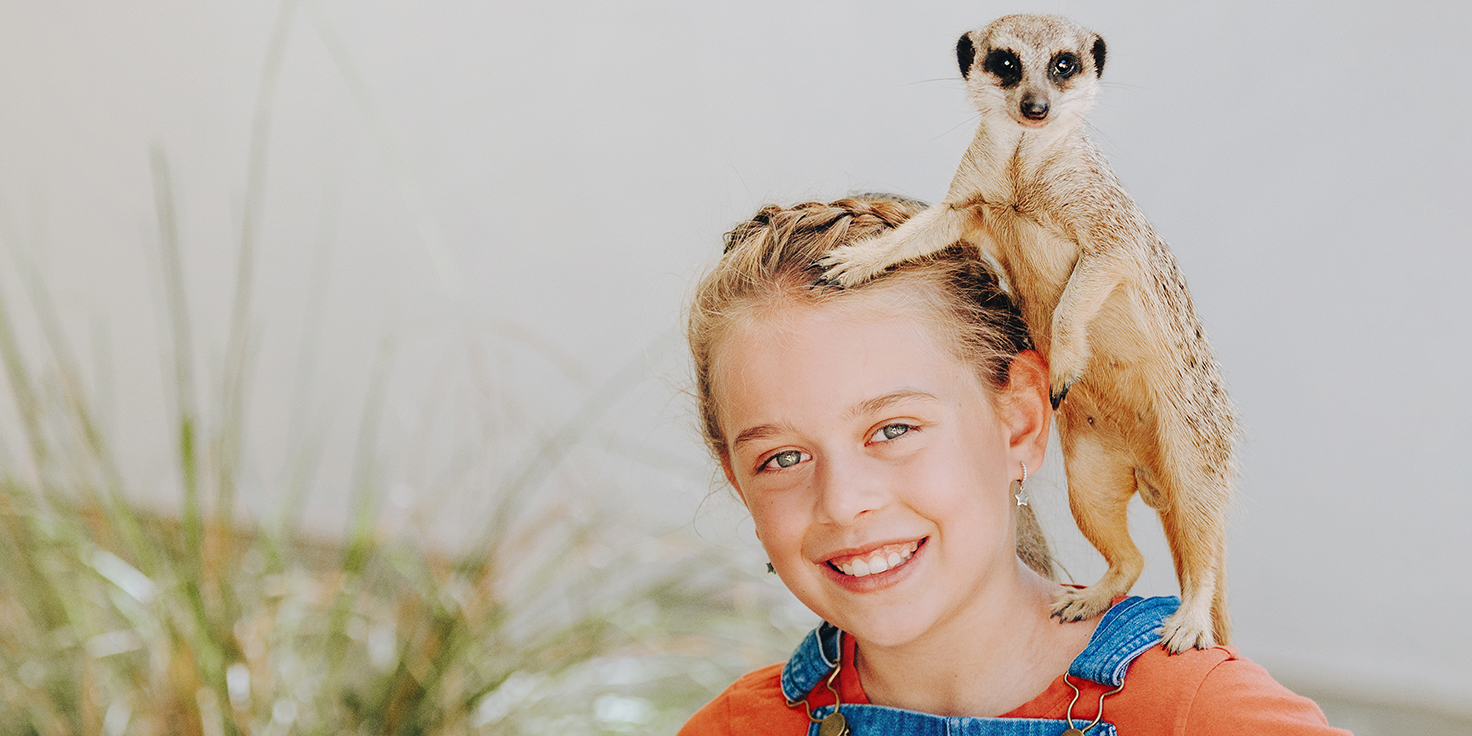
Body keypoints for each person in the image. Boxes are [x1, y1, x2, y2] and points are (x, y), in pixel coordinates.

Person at [680, 195, 1348, 735]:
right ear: (738, 481)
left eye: (894, 428)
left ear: (1021, 421)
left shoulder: (1198, 716)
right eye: (783, 457)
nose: (844, 501)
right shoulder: (736, 729)